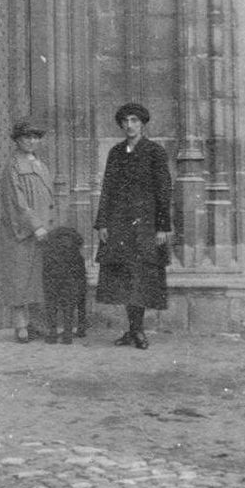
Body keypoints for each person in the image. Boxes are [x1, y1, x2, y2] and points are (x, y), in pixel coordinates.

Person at [94, 102, 173, 348]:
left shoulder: (155, 152)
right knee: (126, 277)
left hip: (146, 225)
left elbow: (163, 190)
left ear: (143, 124)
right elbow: (107, 188)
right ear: (121, 125)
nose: (130, 126)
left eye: (134, 121)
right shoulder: (116, 152)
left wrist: (162, 227)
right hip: (120, 225)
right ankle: (131, 330)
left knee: (142, 276)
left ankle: (138, 331)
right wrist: (103, 223)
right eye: (125, 121)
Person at [0, 116, 55, 342]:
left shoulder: (41, 165)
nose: (31, 141)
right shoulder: (14, 166)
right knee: (20, 276)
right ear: (18, 140)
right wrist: (36, 226)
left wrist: (49, 226)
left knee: (37, 277)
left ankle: (35, 323)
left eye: (35, 137)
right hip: (23, 231)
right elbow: (17, 201)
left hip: (44, 229)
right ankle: (20, 325)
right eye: (27, 137)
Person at [40, 224, 86, 344]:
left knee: (51, 302)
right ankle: (70, 332)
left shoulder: (49, 256)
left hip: (55, 272)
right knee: (73, 301)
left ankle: (53, 332)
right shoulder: (77, 256)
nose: (65, 242)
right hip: (71, 274)